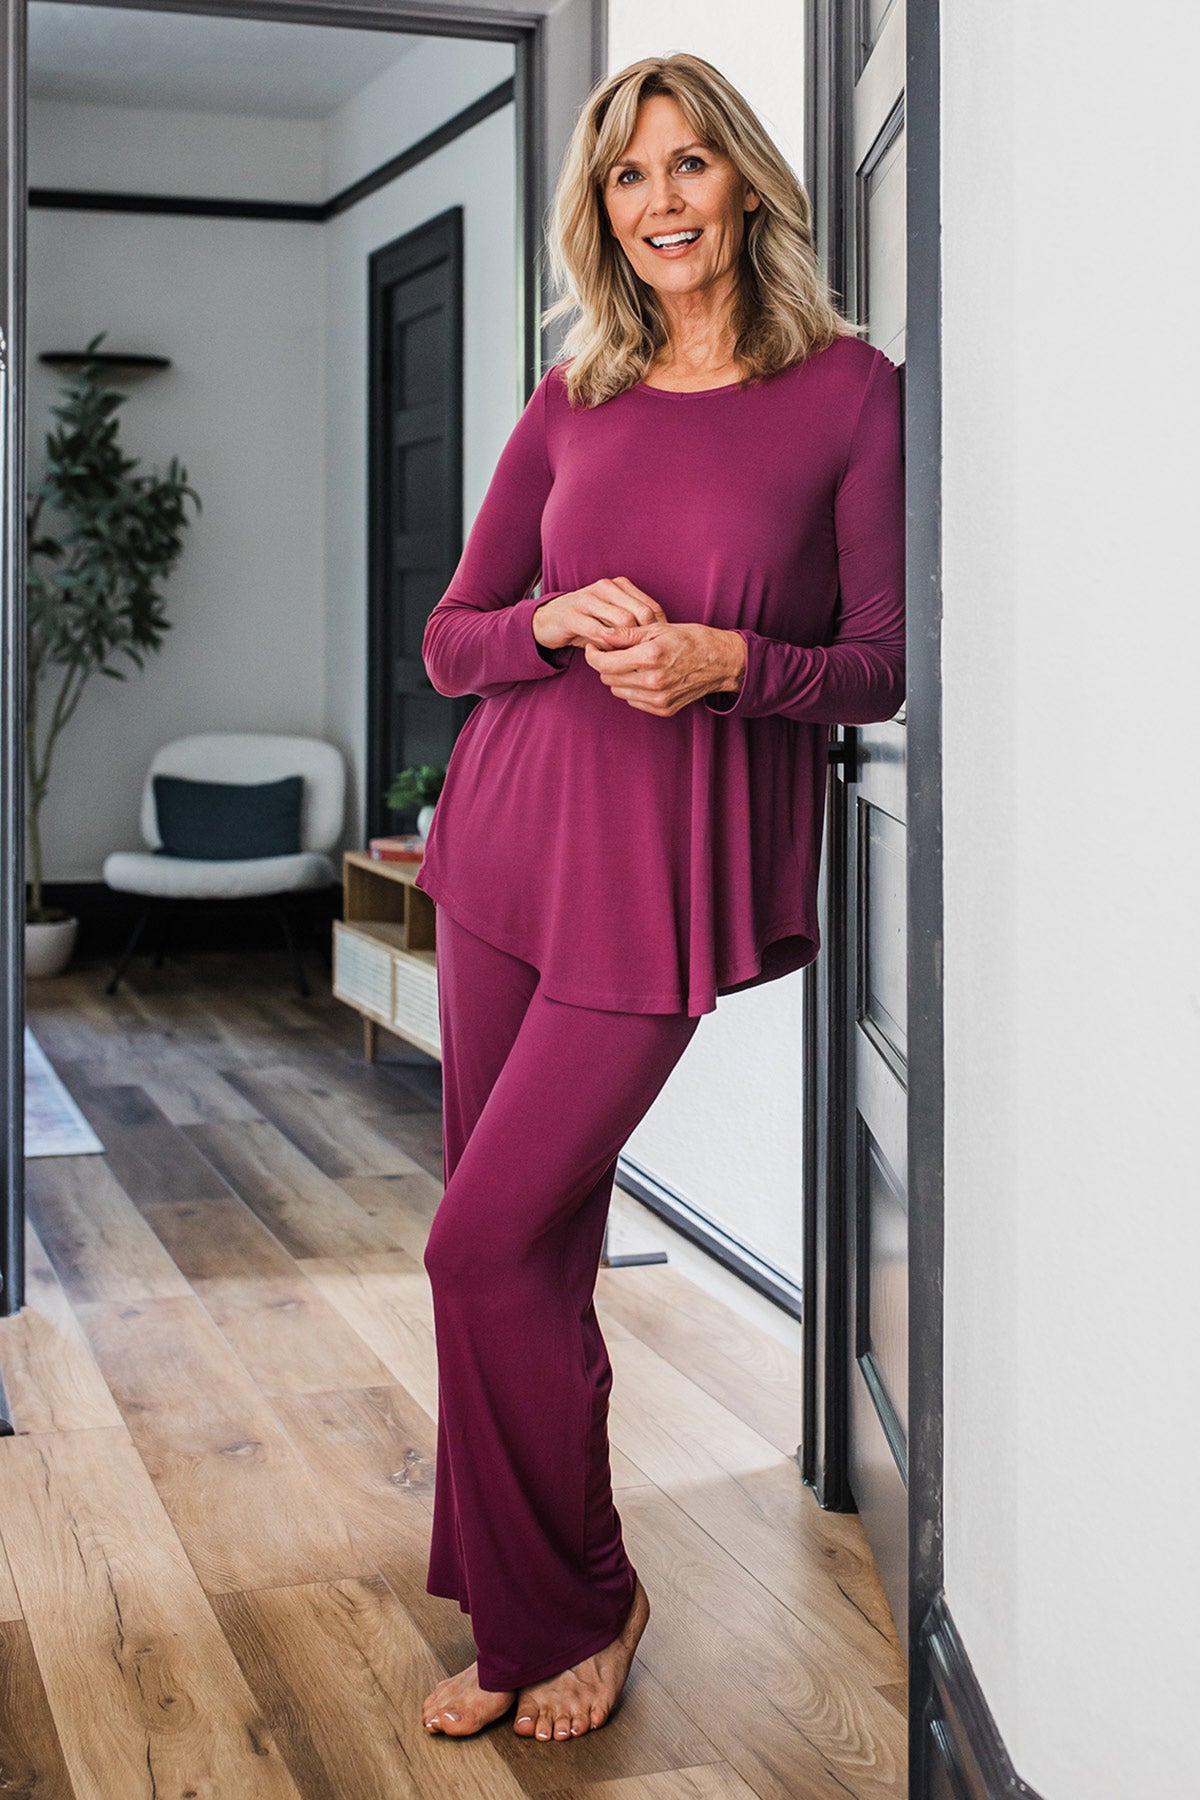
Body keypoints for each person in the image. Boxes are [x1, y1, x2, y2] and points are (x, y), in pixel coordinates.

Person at [415, 51, 905, 1744]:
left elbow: (878, 665)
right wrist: (550, 624)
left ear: (743, 184)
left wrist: (731, 662)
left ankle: (584, 1594)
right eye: (631, 176)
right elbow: (457, 636)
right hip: (499, 850)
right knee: (523, 1254)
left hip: (664, 885)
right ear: (603, 211)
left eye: (691, 164)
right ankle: (525, 1604)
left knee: (473, 1246)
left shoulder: (850, 392)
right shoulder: (573, 401)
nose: (664, 200)